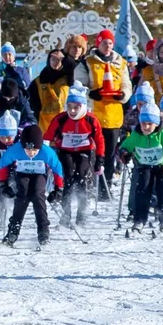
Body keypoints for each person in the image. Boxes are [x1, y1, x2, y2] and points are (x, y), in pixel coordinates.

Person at [74, 29, 132, 201]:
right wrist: (90, 94)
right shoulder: (87, 62)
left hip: (113, 116)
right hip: (94, 116)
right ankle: (89, 186)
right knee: (93, 154)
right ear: (98, 43)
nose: (108, 46)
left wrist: (123, 95)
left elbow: (126, 84)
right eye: (104, 42)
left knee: (109, 156)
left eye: (110, 43)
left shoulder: (120, 62)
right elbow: (78, 85)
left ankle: (104, 189)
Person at [44, 82, 105, 228]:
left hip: (85, 151)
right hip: (66, 151)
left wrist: (100, 159)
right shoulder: (61, 119)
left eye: (76, 107)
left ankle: (81, 214)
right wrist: (46, 155)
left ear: (82, 106)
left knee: (82, 177)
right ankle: (66, 214)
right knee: (68, 177)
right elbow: (48, 137)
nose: (72, 111)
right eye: (69, 107)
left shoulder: (91, 120)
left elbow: (99, 139)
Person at [0, 123, 64, 246]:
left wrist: (58, 189)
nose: (31, 153)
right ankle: (13, 230)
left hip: (40, 174)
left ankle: (43, 230)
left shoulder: (46, 152)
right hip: (22, 173)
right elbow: (3, 165)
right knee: (23, 194)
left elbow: (57, 169)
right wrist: (3, 184)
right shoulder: (15, 150)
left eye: (34, 150)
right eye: (27, 149)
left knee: (38, 194)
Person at [118, 102, 163, 233]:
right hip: (143, 166)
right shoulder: (136, 134)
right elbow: (125, 145)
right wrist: (124, 153)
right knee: (141, 191)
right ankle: (139, 219)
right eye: (143, 123)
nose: (146, 127)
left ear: (156, 123)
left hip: (161, 167)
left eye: (149, 124)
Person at [28, 49, 73, 132]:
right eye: (53, 59)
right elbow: (30, 98)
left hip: (64, 119)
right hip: (44, 121)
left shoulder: (69, 78)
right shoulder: (40, 80)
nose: (56, 62)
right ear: (49, 60)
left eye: (59, 60)